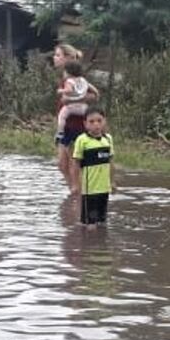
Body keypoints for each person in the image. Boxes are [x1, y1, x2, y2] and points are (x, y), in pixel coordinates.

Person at [53, 44, 99, 193]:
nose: (54, 58)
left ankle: (78, 195)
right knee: (62, 163)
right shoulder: (64, 77)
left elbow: (94, 96)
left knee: (74, 162)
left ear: (67, 58)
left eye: (58, 55)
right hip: (65, 123)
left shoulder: (77, 78)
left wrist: (72, 100)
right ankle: (75, 192)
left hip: (77, 123)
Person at [72, 107, 115, 230]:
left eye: (99, 120)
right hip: (89, 190)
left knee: (102, 222)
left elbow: (111, 163)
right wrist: (75, 184)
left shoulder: (108, 139)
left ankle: (101, 246)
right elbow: (75, 164)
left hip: (104, 188)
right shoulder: (82, 140)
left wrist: (112, 182)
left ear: (104, 121)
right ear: (85, 124)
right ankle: (87, 246)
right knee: (89, 225)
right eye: (91, 122)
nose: (96, 124)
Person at [56, 61, 90, 141]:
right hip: (83, 106)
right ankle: (90, 130)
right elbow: (93, 90)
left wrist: (61, 90)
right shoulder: (83, 80)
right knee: (88, 117)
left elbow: (69, 90)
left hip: (71, 106)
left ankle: (60, 132)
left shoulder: (69, 81)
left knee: (62, 116)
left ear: (68, 73)